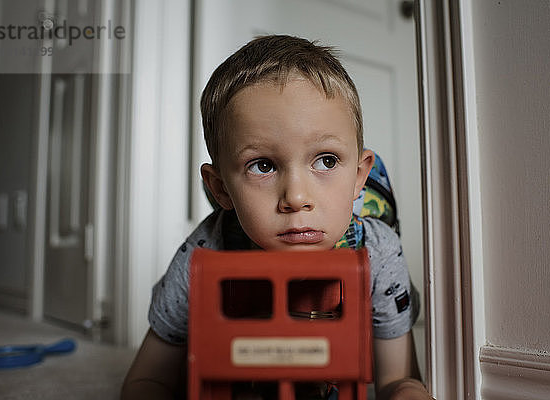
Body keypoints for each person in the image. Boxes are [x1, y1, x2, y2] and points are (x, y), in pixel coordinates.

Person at [122, 35, 432, 400]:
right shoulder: (203, 256)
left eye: (327, 160)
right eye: (263, 165)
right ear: (220, 188)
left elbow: (399, 381)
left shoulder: (378, 253)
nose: (296, 198)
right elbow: (147, 381)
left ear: (359, 177)